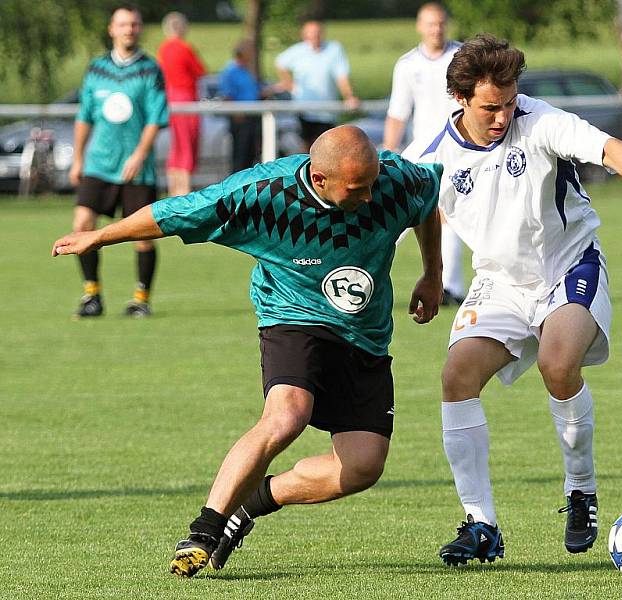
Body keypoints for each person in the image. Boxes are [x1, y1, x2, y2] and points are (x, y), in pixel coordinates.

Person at [52, 126, 444, 578]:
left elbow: (426, 201)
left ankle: (250, 506)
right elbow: (173, 212)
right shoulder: (261, 195)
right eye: (358, 188)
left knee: (362, 467)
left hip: (365, 334)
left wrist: (432, 273)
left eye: (373, 183)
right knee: (286, 415)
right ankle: (204, 529)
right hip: (293, 316)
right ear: (319, 179)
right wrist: (100, 237)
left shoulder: (393, 178)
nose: (372, 196)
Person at [402, 34, 622, 565]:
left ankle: (581, 489)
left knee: (558, 365)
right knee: (456, 377)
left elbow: (607, 148)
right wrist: (432, 275)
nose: (504, 115)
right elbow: (416, 209)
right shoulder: (430, 154)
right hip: (499, 282)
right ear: (459, 99)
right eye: (491, 107)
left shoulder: (541, 120)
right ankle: (481, 523)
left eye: (509, 102)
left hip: (569, 264)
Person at [67, 3, 168, 319]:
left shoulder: (150, 70)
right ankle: (92, 295)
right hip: (99, 164)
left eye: (134, 25)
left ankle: (141, 298)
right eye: (123, 25)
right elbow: (85, 116)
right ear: (112, 29)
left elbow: (155, 118)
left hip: (136, 168)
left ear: (140, 29)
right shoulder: (96, 69)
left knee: (142, 234)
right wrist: (78, 157)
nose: (129, 30)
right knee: (82, 224)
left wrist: (139, 154)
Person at [383, 2, 466, 306]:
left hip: (460, 150)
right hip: (423, 152)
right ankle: (369, 273)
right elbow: (397, 113)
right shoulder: (407, 65)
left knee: (451, 215)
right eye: (431, 24)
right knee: (402, 213)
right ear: (420, 26)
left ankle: (452, 287)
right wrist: (389, 153)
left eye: (441, 23)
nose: (436, 29)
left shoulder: (463, 58)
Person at [273, 20, 360, 152]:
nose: (314, 37)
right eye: (311, 34)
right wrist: (290, 84)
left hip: (327, 112)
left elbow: (342, 77)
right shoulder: (298, 50)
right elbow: (280, 63)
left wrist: (349, 96)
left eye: (317, 33)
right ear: (304, 35)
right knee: (305, 150)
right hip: (304, 110)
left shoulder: (334, 49)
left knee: (328, 150)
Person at [157, 11, 206, 197]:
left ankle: (173, 190)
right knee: (187, 146)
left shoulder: (163, 49)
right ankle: (183, 192)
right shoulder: (184, 48)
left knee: (176, 146)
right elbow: (200, 70)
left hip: (170, 100)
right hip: (185, 99)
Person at [219, 40, 263, 173]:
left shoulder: (247, 71)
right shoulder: (230, 71)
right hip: (240, 118)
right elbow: (227, 95)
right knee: (240, 155)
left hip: (252, 116)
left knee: (251, 154)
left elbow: (254, 91)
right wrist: (235, 114)